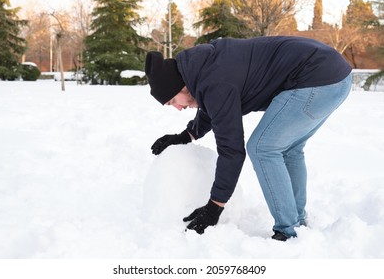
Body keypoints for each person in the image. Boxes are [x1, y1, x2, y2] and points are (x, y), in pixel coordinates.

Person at [145, 36, 352, 241]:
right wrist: (188, 134)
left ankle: (288, 232)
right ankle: (296, 222)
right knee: (288, 150)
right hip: (334, 76)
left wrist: (214, 207)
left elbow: (231, 150)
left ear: (180, 86)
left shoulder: (215, 82)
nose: (179, 108)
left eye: (173, 101)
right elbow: (214, 104)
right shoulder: (203, 68)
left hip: (317, 79)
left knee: (262, 148)